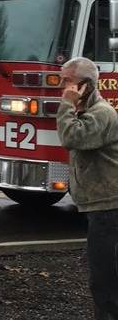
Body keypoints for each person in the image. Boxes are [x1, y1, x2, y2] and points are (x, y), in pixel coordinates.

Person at [57, 57, 118, 319]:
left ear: (86, 84)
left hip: (109, 207)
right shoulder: (87, 111)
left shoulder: (102, 114)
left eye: (67, 81)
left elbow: (71, 138)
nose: (63, 87)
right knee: (105, 277)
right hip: (100, 206)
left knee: (104, 279)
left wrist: (66, 105)